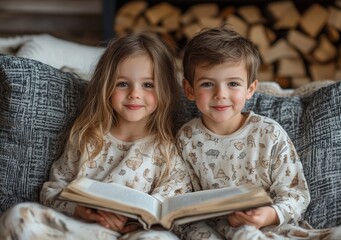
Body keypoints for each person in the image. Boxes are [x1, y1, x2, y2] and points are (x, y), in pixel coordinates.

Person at [0, 32, 192, 240]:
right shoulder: (86, 138)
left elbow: (173, 208)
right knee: (18, 215)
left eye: (148, 85)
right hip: (82, 230)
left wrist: (135, 222)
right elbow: (51, 191)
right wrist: (80, 210)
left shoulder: (167, 150)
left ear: (165, 90)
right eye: (122, 83)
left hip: (130, 235)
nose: (134, 94)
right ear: (106, 86)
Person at [176, 27, 313, 239]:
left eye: (233, 84)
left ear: (250, 89)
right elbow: (182, 202)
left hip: (272, 229)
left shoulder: (269, 134)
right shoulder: (186, 139)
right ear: (189, 89)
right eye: (207, 84)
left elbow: (296, 194)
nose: (220, 94)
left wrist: (267, 215)